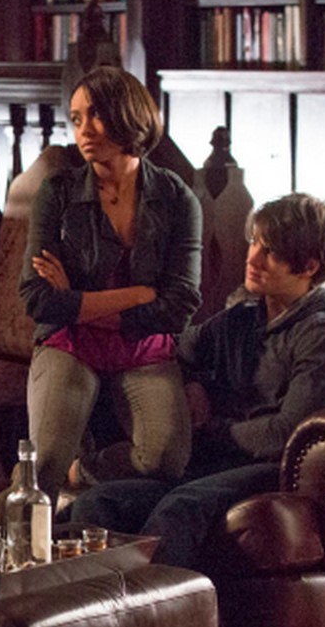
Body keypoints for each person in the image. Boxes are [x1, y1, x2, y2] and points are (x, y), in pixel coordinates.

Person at [69, 192, 325, 569]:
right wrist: (191, 381)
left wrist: (212, 430)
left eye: (270, 252)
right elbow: (173, 349)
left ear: (309, 266)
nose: (252, 258)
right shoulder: (245, 315)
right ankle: (90, 601)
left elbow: (288, 433)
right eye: (255, 242)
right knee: (97, 503)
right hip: (217, 462)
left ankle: (154, 603)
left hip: (273, 468)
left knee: (180, 508)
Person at [21, 66, 202, 500]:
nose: (84, 130)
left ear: (128, 116)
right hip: (69, 342)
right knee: (43, 466)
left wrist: (78, 300)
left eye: (96, 115)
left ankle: (83, 473)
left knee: (165, 459)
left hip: (144, 347)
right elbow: (38, 299)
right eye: (76, 118)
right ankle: (10, 539)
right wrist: (138, 295)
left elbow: (179, 306)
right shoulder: (58, 192)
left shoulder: (177, 198)